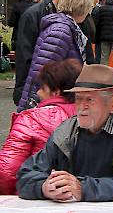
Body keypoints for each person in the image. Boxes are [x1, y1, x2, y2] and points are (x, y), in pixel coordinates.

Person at [16, 64, 113, 202]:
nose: (82, 107)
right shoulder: (67, 132)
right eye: (78, 99)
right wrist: (43, 188)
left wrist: (84, 189)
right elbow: (26, 175)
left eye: (90, 99)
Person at [0, 60, 81, 194]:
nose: (38, 93)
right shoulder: (93, 117)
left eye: (42, 88)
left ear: (55, 91)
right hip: (83, 196)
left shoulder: (31, 119)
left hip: (36, 196)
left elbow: (6, 173)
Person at [13, 0, 86, 105]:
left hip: (67, 97)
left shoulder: (78, 16)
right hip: (44, 97)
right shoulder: (33, 14)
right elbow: (25, 57)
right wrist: (23, 95)